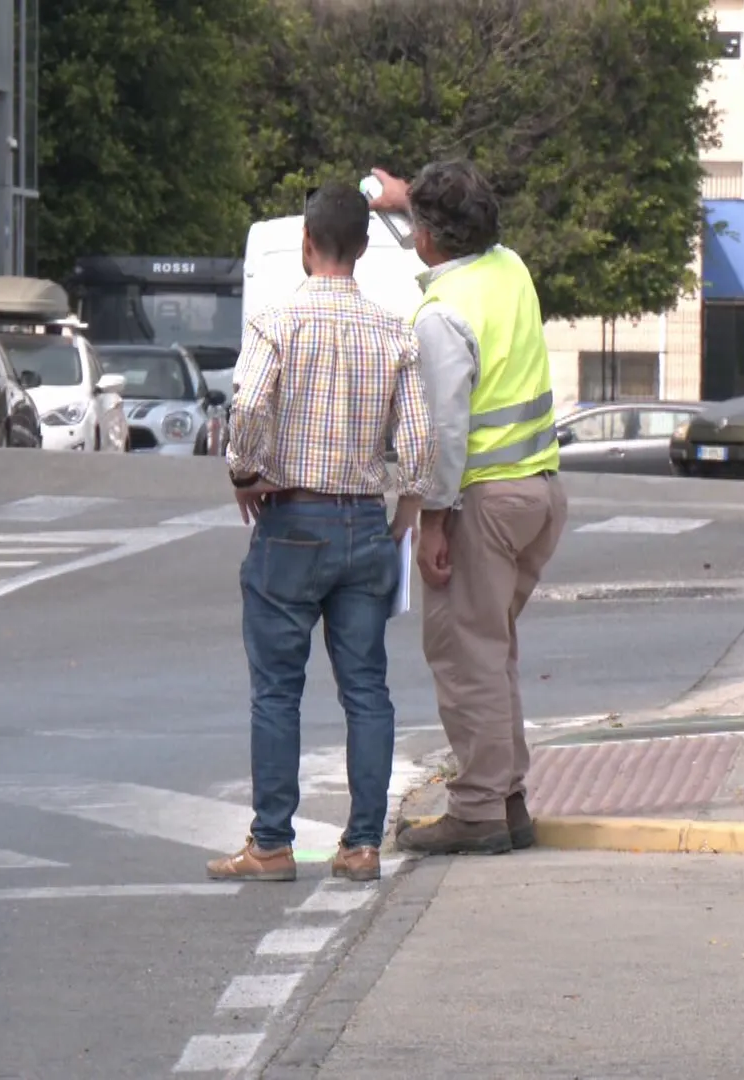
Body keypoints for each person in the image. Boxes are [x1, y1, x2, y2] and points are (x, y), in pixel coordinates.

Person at [208, 181, 437, 884]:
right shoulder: (394, 331)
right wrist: (403, 512)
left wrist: (246, 471)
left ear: (306, 245)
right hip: (366, 523)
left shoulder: (277, 323)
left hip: (292, 521)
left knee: (278, 688)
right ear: (363, 250)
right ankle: (362, 843)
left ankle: (272, 844)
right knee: (366, 687)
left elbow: (246, 404)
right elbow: (421, 441)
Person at [368, 161, 568, 857]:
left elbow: (446, 434)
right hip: (539, 491)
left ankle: (480, 807)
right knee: (495, 649)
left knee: (464, 653)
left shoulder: (439, 318)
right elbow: (452, 241)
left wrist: (433, 521)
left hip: (484, 499)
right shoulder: (508, 268)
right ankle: (506, 798)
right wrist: (403, 202)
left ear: (426, 238)